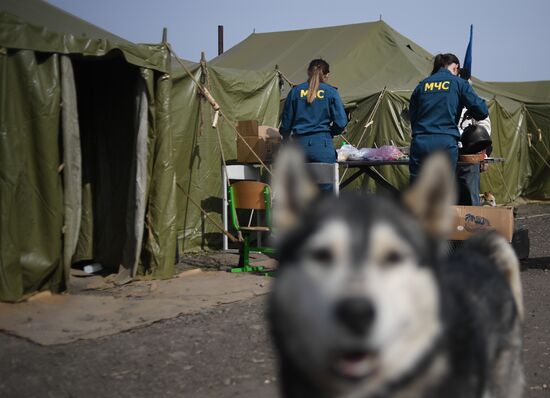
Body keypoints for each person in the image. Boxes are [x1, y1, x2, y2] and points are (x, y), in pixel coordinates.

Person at [408, 53, 489, 184]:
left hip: (420, 143)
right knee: (442, 192)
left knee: (417, 191)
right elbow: (482, 111)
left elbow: (413, 117)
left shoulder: (421, 86)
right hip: (444, 143)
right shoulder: (459, 83)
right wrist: (470, 110)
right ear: (456, 67)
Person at [280, 59, 348, 165]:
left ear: (308, 72)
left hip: (298, 148)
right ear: (326, 75)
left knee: (299, 182)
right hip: (323, 147)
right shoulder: (331, 92)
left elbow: (285, 126)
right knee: (326, 181)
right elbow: (341, 122)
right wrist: (331, 132)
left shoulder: (295, 92)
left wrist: (285, 139)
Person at [456, 106, 492, 205]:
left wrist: (483, 152)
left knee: (470, 196)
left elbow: (484, 127)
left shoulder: (469, 99)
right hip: (445, 151)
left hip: (469, 154)